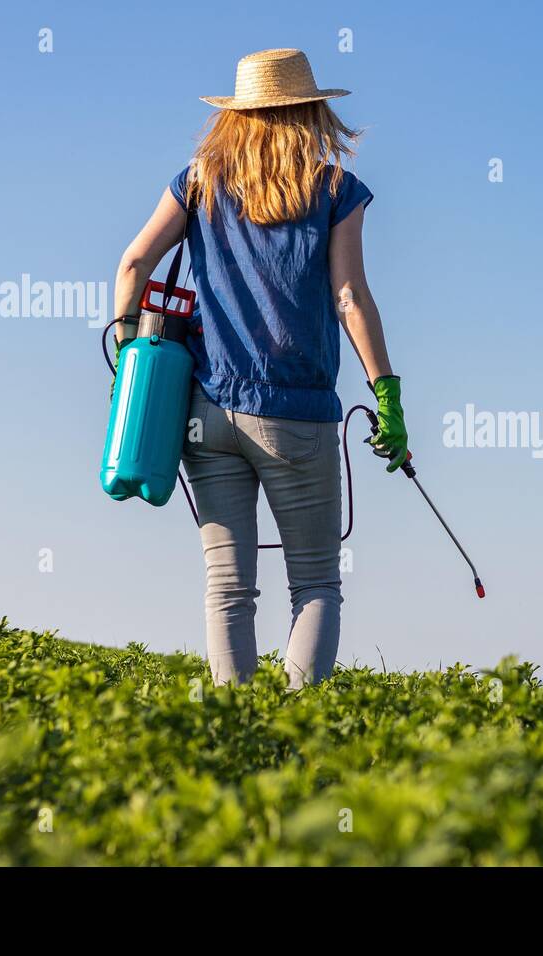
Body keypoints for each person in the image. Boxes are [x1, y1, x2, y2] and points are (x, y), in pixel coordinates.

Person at [110, 48, 407, 687]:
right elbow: (349, 295)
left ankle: (233, 735)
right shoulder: (335, 190)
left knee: (228, 586)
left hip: (204, 413)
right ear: (312, 111)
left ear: (235, 115)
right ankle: (297, 739)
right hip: (296, 414)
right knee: (317, 580)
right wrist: (387, 394)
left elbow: (133, 264)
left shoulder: (197, 181)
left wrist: (129, 364)